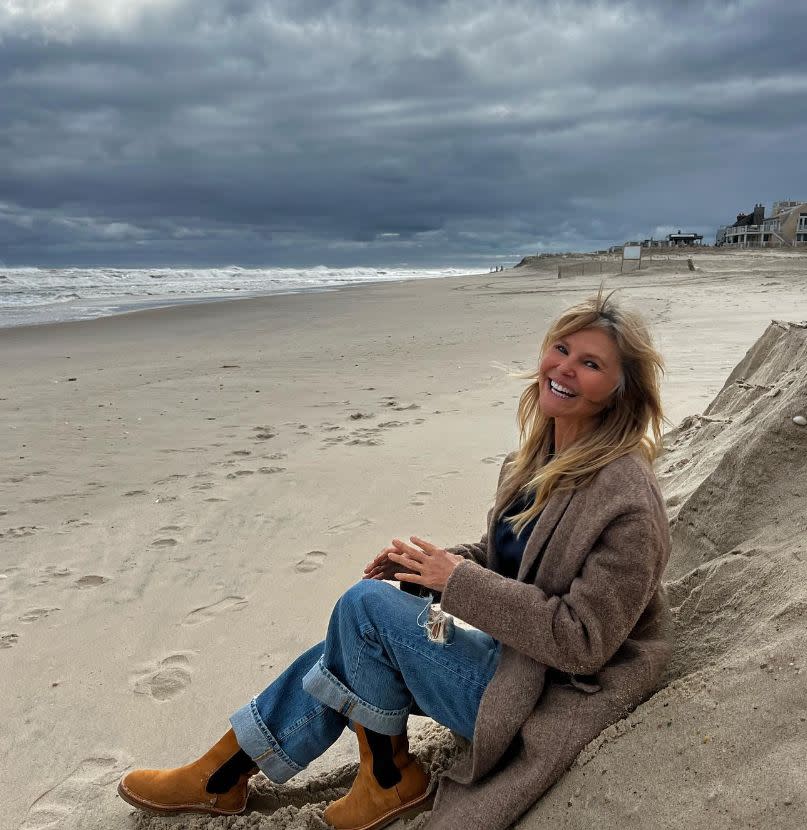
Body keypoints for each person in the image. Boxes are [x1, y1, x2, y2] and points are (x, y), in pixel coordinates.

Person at [117, 291, 670, 830]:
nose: (566, 368)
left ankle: (377, 776)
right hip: (515, 663)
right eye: (562, 349)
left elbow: (583, 642)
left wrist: (457, 581)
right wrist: (426, 567)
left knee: (364, 610)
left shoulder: (626, 499)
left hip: (550, 697)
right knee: (351, 636)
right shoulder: (534, 460)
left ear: (621, 391)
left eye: (591, 363)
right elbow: (509, 563)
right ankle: (226, 774)